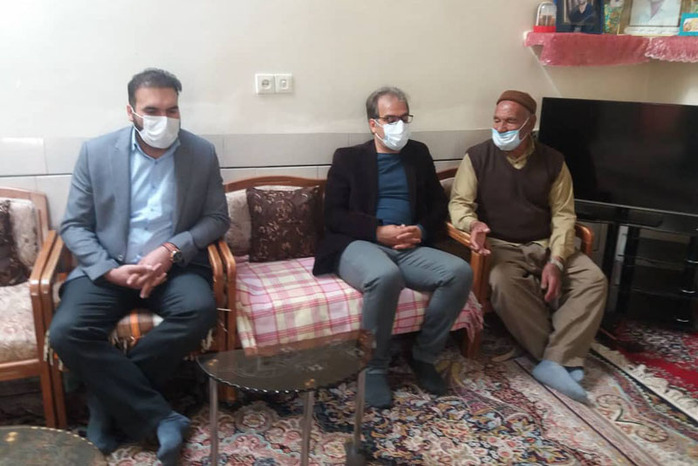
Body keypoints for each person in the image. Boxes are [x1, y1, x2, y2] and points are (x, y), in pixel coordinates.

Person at [49, 68, 229, 464]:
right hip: (110, 268)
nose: (164, 119)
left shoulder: (201, 152)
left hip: (174, 268)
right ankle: (161, 417)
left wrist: (171, 249)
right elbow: (73, 225)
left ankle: (104, 406)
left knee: (199, 310)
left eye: (172, 110)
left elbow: (217, 218)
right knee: (66, 332)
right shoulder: (96, 152)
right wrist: (108, 269)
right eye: (152, 110)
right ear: (130, 111)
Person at [313, 86, 473, 408]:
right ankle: (372, 367)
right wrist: (377, 230)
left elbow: (437, 205)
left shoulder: (418, 154)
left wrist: (421, 230)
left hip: (409, 245)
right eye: (390, 119)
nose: (398, 125)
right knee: (385, 277)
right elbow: (333, 215)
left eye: (404, 118)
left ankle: (424, 356)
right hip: (358, 244)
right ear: (373, 123)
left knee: (459, 272)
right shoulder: (348, 158)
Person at [449, 90, 607, 403]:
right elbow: (459, 203)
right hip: (501, 246)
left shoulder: (554, 161)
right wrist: (472, 224)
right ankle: (558, 358)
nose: (501, 127)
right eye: (497, 120)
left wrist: (557, 260)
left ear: (529, 123)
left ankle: (554, 360)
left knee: (594, 280)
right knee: (502, 282)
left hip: (545, 243)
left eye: (510, 121)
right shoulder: (477, 157)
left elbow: (564, 215)